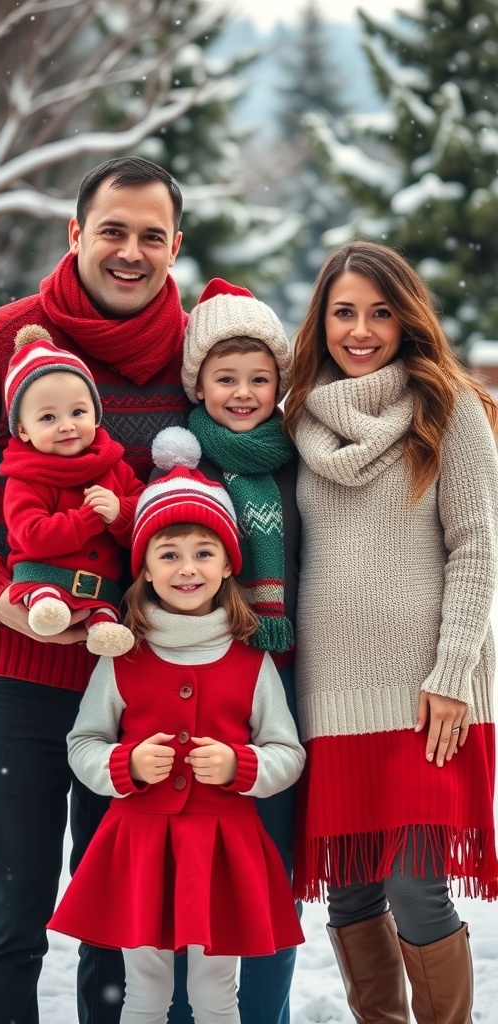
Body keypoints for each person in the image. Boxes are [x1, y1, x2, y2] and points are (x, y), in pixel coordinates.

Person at [0, 156, 191, 1024]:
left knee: (123, 929)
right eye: (113, 230)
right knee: (7, 920)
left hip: (141, 686)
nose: (130, 251)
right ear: (76, 234)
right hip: (15, 682)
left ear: (175, 247)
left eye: (152, 235)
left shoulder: (198, 361)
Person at [284, 239, 498, 1024]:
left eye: (380, 311)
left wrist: (451, 674)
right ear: (323, 319)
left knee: (416, 883)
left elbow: (476, 543)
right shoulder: (297, 416)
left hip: (426, 693)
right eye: (344, 312)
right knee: (350, 886)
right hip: (329, 694)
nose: (361, 329)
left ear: (408, 318)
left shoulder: (450, 405)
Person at [48, 438, 305, 1024]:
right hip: (141, 843)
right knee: (145, 990)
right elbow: (83, 741)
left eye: (203, 552)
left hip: (220, 846)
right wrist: (125, 766)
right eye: (168, 554)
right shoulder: (122, 656)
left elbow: (286, 752)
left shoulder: (250, 660)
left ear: (227, 564)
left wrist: (243, 768)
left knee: (216, 991)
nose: (187, 568)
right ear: (144, 567)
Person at [170, 277, 301, 1024]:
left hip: (281, 687)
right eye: (226, 378)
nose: (244, 392)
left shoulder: (297, 461)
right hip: (199, 686)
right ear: (199, 382)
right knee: (196, 872)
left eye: (260, 378)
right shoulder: (184, 470)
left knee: (270, 876)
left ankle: (266, 1013)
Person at [0, 324, 144, 656]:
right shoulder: (26, 477)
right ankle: (48, 607)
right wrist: (89, 519)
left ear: (96, 417)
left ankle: (104, 626)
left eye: (78, 412)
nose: (66, 425)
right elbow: (32, 535)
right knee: (48, 601)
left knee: (105, 615)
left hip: (102, 589)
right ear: (23, 430)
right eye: (48, 417)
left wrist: (119, 513)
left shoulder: (111, 466)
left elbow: (145, 514)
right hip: (43, 579)